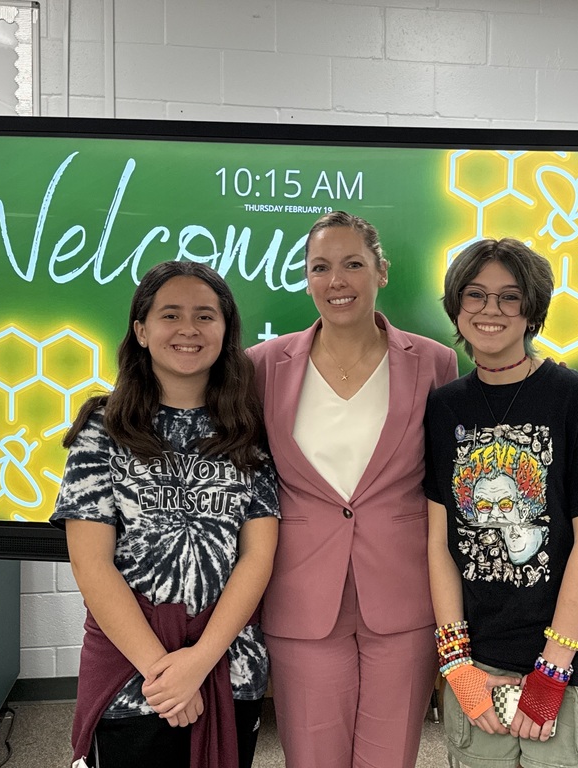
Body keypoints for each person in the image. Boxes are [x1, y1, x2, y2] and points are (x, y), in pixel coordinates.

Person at [246, 211, 458, 768]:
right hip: (301, 593)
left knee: (390, 758)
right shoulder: (263, 366)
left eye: (352, 264)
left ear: (381, 272)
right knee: (312, 755)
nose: (335, 280)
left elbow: (448, 481)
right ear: (307, 277)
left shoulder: (435, 362)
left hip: (402, 593)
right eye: (320, 267)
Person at [52, 261, 280, 768]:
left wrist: (197, 663)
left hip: (228, 665)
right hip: (133, 675)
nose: (188, 329)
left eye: (205, 316)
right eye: (170, 314)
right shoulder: (102, 429)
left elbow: (257, 558)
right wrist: (165, 673)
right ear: (141, 329)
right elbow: (92, 566)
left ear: (226, 330)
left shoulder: (250, 433)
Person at [424, 238, 578, 768]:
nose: (491, 310)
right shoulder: (444, 408)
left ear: (532, 309)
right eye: (475, 295)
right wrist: (454, 662)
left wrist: (553, 667)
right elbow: (440, 543)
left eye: (509, 297)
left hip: (574, 670)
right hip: (478, 667)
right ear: (456, 305)